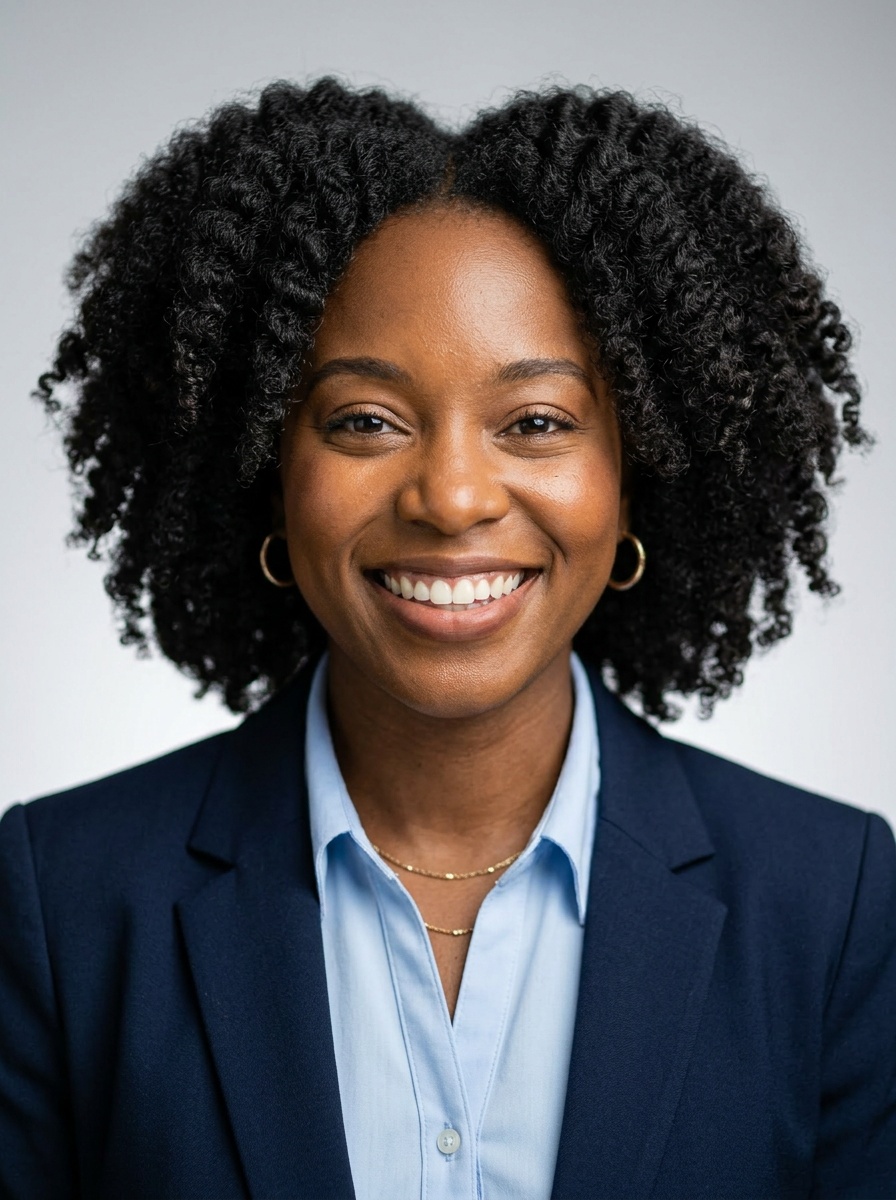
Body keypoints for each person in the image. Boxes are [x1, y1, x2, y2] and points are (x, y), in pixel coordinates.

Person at [0, 78, 893, 1200]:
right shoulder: (65, 898)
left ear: (635, 480)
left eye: (535, 422)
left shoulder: (829, 904)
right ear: (266, 471)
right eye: (366, 421)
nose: (453, 496)